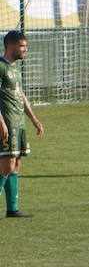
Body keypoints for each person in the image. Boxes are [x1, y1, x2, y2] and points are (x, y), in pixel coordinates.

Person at [0, 30, 45, 218]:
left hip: (19, 122)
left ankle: (12, 208)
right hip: (7, 122)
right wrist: (1, 123)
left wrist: (34, 119)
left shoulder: (16, 69)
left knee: (16, 163)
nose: (25, 50)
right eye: (22, 46)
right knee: (7, 164)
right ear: (11, 46)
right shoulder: (1, 67)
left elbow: (21, 95)